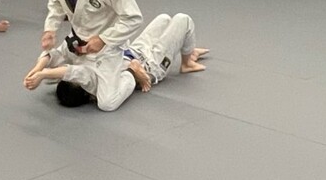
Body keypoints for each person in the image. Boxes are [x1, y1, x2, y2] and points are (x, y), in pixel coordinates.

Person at [24, 12, 208, 110]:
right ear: (85, 89)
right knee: (183, 20)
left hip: (133, 50)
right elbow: (75, 73)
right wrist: (44, 74)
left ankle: (188, 50)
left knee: (164, 18)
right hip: (151, 64)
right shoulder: (97, 84)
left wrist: (40, 70)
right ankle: (187, 62)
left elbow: (59, 61)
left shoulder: (82, 73)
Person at [41, 0, 142, 106]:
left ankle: (130, 70)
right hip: (78, 40)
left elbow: (133, 17)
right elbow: (57, 2)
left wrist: (103, 39)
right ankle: (87, 70)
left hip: (107, 46)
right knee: (47, 74)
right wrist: (50, 29)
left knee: (107, 103)